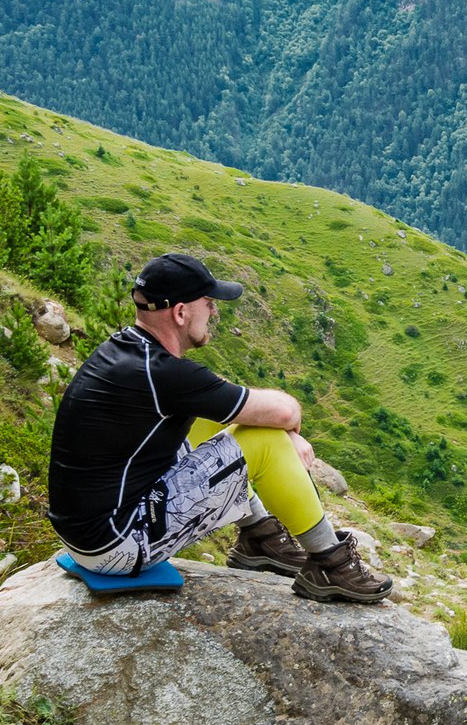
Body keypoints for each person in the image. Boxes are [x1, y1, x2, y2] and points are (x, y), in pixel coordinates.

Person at [46, 251, 392, 603]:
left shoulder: (130, 354)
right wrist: (286, 433)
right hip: (118, 547)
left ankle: (260, 535)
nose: (214, 311)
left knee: (221, 417)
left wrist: (277, 425)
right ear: (181, 313)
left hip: (88, 537)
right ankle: (329, 563)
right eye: (208, 302)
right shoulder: (166, 375)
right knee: (265, 440)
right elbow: (285, 412)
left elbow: (218, 397)